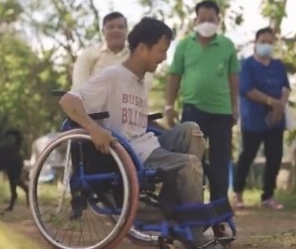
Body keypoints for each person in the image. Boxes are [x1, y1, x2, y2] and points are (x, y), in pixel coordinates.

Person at [59, 17, 210, 247]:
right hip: (132, 154)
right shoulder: (113, 76)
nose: (164, 58)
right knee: (189, 163)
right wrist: (94, 130)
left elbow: (137, 124)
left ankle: (173, 206)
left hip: (147, 144)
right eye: (161, 51)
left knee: (192, 130)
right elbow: (67, 101)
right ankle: (195, 236)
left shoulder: (139, 82)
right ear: (142, 49)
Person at [165, 0, 239, 236]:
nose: (207, 23)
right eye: (202, 19)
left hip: (222, 112)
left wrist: (235, 107)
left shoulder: (227, 45)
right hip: (193, 110)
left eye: (211, 19)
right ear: (195, 21)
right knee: (192, 162)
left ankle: (219, 219)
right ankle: (191, 214)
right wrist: (169, 104)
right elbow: (174, 75)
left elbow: (234, 79)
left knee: (219, 163)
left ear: (218, 21)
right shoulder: (184, 46)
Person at [232, 27, 290, 210]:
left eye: (271, 42)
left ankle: (268, 196)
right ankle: (238, 194)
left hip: (276, 119)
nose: (267, 45)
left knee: (274, 156)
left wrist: (280, 106)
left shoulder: (278, 65)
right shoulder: (246, 65)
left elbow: (286, 87)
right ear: (256, 43)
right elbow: (248, 90)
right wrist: (271, 101)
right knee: (247, 156)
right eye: (263, 41)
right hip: (253, 119)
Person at [72, 11, 153, 91]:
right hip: (93, 102)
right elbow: (79, 85)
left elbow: (144, 86)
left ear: (126, 31)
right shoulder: (89, 53)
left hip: (129, 102)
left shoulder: (138, 56)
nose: (116, 30)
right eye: (111, 27)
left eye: (120, 27)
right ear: (103, 31)